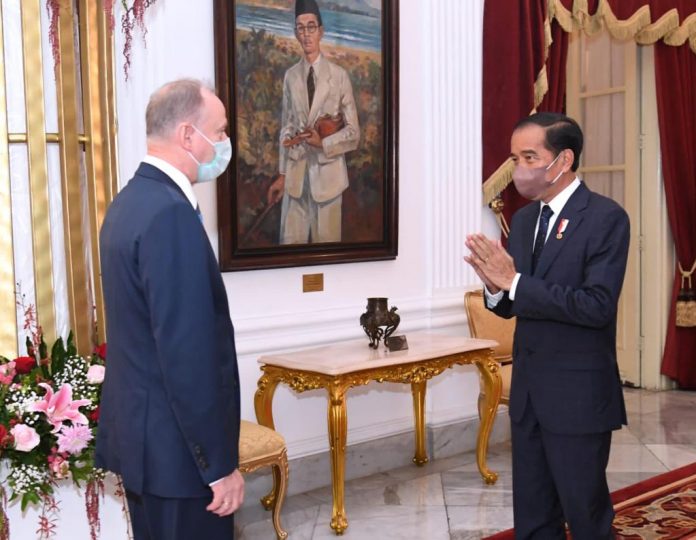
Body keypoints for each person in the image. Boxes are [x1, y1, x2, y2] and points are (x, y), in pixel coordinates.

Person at [464, 112, 629, 539]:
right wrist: (496, 289)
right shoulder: (522, 221)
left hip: (577, 396)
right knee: (534, 519)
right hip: (530, 394)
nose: (518, 168)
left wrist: (514, 281)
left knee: (586, 515)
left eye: (529, 156)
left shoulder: (605, 218)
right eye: (515, 157)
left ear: (563, 159)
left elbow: (596, 306)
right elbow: (514, 304)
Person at [97, 79, 244, 540]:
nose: (224, 144)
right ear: (187, 135)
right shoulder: (169, 214)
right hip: (181, 463)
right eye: (218, 132)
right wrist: (217, 467)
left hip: (148, 449)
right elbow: (187, 355)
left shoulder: (129, 203)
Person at [266, 0, 360, 244]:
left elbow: (353, 133)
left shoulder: (339, 77)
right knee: (288, 251)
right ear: (296, 33)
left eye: (311, 27)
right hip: (296, 183)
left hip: (329, 183)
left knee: (327, 252)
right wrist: (282, 174)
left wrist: (323, 143)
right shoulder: (291, 76)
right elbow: (286, 127)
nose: (306, 34)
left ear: (321, 31)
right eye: (300, 28)